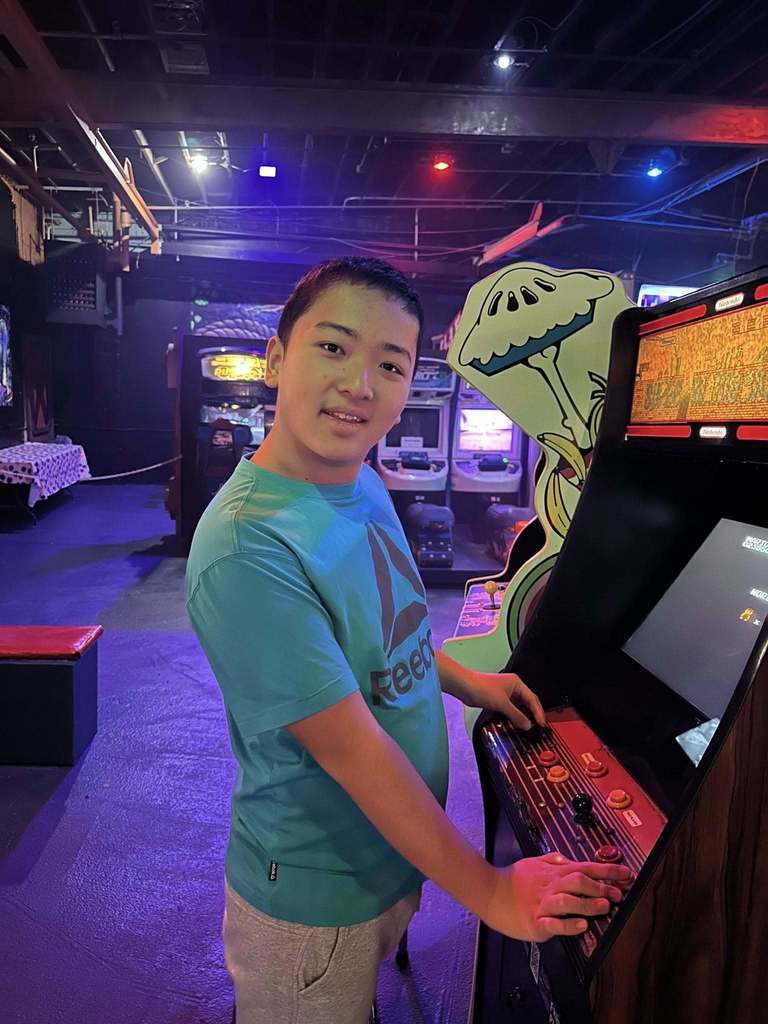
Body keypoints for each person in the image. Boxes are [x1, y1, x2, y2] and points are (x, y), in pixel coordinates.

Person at [185, 257, 632, 1024]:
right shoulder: (246, 546)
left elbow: (390, 626)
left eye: (389, 364)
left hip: (393, 851)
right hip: (314, 891)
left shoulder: (359, 476)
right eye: (333, 348)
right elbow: (350, 749)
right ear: (275, 359)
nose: (361, 385)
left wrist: (463, 678)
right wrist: (490, 891)